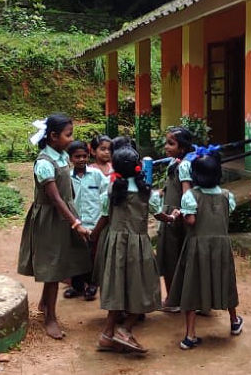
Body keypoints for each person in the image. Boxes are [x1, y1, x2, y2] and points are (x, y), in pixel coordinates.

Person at [17, 114, 93, 339]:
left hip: (64, 215)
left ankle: (43, 304)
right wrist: (75, 222)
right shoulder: (43, 163)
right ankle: (50, 318)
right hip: (51, 218)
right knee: (52, 266)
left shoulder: (60, 156)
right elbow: (55, 199)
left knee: (61, 260)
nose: (71, 139)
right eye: (68, 135)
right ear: (53, 136)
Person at [165, 149, 243, 350]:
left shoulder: (190, 195)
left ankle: (190, 335)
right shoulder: (228, 195)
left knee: (192, 286)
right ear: (219, 175)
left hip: (197, 246)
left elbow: (191, 220)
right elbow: (227, 213)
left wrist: (181, 215)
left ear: (195, 176)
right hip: (221, 247)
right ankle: (234, 322)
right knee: (226, 282)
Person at [92, 144, 161, 353]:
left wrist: (92, 236)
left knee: (117, 288)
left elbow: (104, 218)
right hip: (138, 245)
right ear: (139, 166)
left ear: (115, 167)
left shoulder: (111, 190)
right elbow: (159, 214)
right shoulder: (147, 193)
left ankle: (107, 334)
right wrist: (173, 216)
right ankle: (124, 329)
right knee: (145, 288)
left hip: (115, 246)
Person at [156, 126, 194, 312]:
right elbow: (171, 185)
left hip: (175, 216)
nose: (166, 146)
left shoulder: (185, 165)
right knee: (170, 255)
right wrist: (162, 191)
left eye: (171, 143)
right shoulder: (175, 162)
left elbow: (186, 191)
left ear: (183, 147)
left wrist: (183, 212)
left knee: (172, 256)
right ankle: (175, 297)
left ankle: (173, 300)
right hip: (170, 211)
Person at [65, 140, 108, 300]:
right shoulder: (67, 177)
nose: (81, 159)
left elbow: (105, 195)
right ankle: (76, 286)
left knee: (92, 255)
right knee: (76, 255)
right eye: (77, 157)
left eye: (84, 156)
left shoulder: (96, 175)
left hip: (94, 223)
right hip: (76, 223)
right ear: (71, 158)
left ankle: (92, 285)